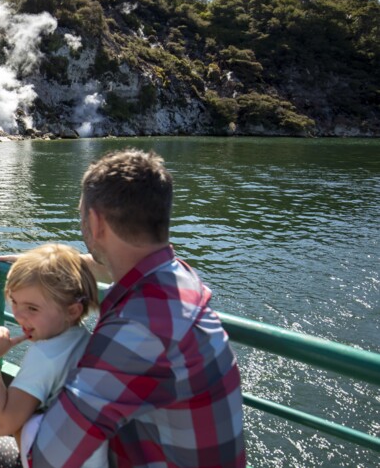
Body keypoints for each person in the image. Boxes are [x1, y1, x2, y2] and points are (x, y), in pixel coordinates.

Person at [29, 148, 246, 467]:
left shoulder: (138, 330)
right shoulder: (180, 278)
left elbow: (47, 458)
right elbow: (111, 266)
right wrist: (45, 265)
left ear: (96, 221)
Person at [0, 244, 107, 468]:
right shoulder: (85, 339)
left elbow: (0, 424)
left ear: (72, 311)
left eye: (32, 308)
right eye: (14, 302)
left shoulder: (46, 355)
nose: (19, 316)